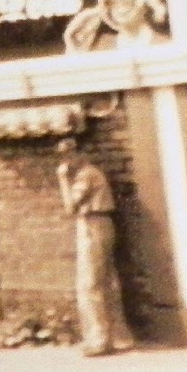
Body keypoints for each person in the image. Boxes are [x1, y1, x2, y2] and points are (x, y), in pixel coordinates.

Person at [56, 137, 134, 356]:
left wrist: (62, 179)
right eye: (64, 155)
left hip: (92, 223)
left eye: (70, 154)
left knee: (90, 284)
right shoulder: (91, 173)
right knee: (107, 281)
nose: (67, 160)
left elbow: (70, 207)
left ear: (80, 153)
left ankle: (99, 339)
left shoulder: (86, 175)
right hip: (100, 223)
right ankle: (119, 337)